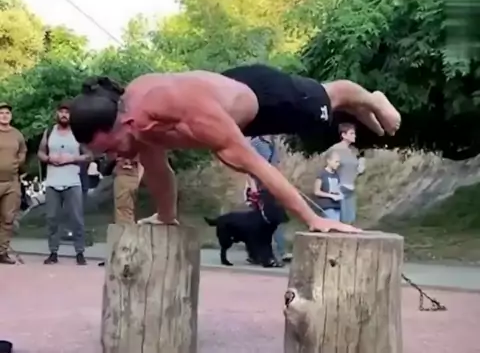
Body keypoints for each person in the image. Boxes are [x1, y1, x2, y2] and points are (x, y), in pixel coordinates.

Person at [67, 65, 401, 234]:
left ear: (124, 124)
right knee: (326, 108)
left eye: (111, 149)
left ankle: (371, 99)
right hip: (231, 98)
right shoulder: (139, 125)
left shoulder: (189, 116)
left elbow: (259, 167)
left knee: (328, 100)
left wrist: (314, 219)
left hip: (266, 97)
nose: (115, 158)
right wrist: (166, 216)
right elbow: (158, 173)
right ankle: (359, 106)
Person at [37, 100, 92, 265]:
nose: (64, 115)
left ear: (71, 115)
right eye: (61, 111)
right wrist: (48, 158)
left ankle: (80, 252)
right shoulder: (49, 131)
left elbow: (89, 155)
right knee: (52, 218)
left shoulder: (78, 133)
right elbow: (40, 152)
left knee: (77, 218)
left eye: (67, 112)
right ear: (57, 113)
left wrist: (72, 158)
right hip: (52, 181)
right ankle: (53, 252)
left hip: (73, 181)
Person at [246, 135, 291, 263]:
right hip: (260, 186)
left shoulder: (273, 142)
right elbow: (248, 165)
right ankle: (255, 254)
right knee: (260, 221)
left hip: (272, 185)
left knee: (275, 218)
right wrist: (253, 187)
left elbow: (275, 166)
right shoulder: (256, 142)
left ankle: (280, 251)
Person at [0, 103, 26, 264]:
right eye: (1, 113)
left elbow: (23, 151)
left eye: (7, 113)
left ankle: (2, 251)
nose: (4, 115)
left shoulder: (17, 134)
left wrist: (19, 161)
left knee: (8, 218)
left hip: (12, 181)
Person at [324, 122, 365, 224]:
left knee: (349, 221)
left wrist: (360, 168)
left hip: (351, 189)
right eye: (351, 133)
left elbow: (353, 171)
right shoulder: (335, 149)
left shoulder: (353, 151)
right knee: (338, 222)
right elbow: (327, 169)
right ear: (343, 135)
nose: (354, 136)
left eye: (354, 133)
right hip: (339, 189)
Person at [313, 151, 343, 221]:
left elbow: (337, 189)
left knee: (337, 225)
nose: (338, 164)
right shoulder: (322, 174)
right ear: (328, 161)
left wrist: (340, 194)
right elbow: (316, 191)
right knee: (333, 223)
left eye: (339, 162)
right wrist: (331, 196)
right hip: (326, 206)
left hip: (337, 205)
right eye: (336, 162)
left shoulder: (336, 174)